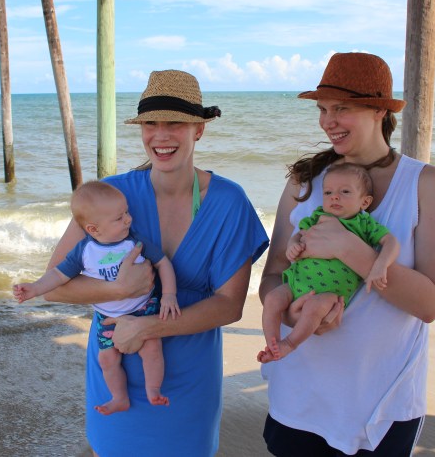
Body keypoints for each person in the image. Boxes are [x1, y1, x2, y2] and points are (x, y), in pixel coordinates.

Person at [41, 69, 269, 457]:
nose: (160, 136)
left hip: (190, 380)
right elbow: (54, 286)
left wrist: (147, 327)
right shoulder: (111, 195)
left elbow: (230, 305)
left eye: (175, 123)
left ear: (199, 129)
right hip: (116, 374)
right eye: (151, 123)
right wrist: (118, 288)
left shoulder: (229, 201)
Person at [259, 52, 435, 456]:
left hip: (380, 406)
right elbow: (273, 276)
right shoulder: (305, 181)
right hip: (298, 396)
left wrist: (350, 249)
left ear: (379, 110)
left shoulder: (428, 184)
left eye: (341, 109)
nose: (327, 121)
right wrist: (292, 314)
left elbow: (430, 304)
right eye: (322, 109)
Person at [12, 180, 180, 415]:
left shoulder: (134, 241)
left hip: (142, 308)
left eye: (126, 213)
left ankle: (153, 390)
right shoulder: (84, 251)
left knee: (152, 349)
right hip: (107, 316)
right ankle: (119, 398)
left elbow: (163, 263)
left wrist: (169, 295)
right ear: (93, 229)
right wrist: (35, 288)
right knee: (107, 360)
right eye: (119, 218)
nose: (128, 220)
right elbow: (58, 275)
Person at [257, 162, 399, 363]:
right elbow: (299, 235)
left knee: (314, 309)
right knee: (272, 299)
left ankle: (289, 344)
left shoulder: (364, 224)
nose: (335, 197)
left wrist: (381, 264)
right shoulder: (318, 216)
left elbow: (391, 242)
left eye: (345, 192)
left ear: (365, 202)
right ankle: (272, 343)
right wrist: (293, 245)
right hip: (297, 282)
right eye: (328, 192)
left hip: (329, 293)